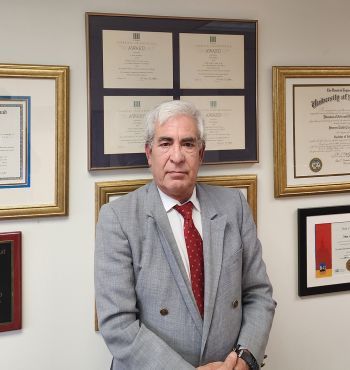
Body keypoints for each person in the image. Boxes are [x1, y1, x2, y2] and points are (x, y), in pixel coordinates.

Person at [95, 100, 276, 370]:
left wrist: (246, 358)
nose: (177, 156)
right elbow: (118, 324)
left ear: (201, 154)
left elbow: (258, 293)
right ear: (149, 153)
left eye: (188, 144)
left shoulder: (233, 206)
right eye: (165, 143)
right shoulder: (118, 218)